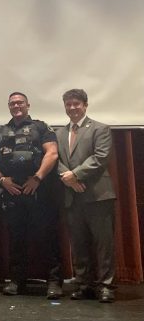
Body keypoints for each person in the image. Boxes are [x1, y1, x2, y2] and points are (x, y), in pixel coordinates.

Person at [0, 92, 62, 298]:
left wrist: (37, 178)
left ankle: (54, 282)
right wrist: (2, 180)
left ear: (28, 105)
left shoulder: (41, 127)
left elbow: (52, 153)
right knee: (16, 238)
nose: (16, 106)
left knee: (47, 236)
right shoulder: (1, 130)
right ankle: (16, 280)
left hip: (38, 190)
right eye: (12, 103)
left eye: (20, 102)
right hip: (11, 191)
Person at [56, 89, 116, 303]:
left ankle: (106, 286)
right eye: (68, 104)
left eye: (76, 104)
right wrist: (68, 178)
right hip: (72, 197)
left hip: (98, 195)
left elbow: (100, 158)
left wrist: (75, 175)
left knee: (103, 244)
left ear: (85, 105)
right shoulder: (59, 133)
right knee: (79, 244)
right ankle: (84, 284)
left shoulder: (100, 128)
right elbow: (56, 160)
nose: (72, 108)